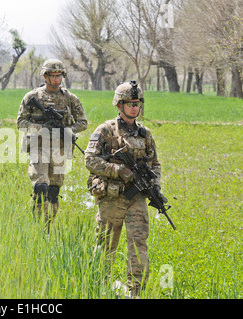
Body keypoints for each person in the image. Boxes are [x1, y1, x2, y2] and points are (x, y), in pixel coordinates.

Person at [84, 80, 162, 297]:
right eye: (130, 103)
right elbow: (90, 160)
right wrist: (118, 170)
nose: (135, 107)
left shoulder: (145, 134)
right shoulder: (105, 130)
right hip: (111, 197)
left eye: (137, 103)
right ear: (119, 105)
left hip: (136, 198)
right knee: (105, 245)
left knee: (138, 245)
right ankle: (97, 288)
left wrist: (154, 187)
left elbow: (154, 164)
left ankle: (135, 292)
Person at [17, 59, 88, 232]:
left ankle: (48, 227)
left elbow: (83, 123)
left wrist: (68, 130)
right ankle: (37, 228)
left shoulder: (70, 98)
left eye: (59, 76)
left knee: (53, 191)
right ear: (45, 76)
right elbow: (21, 122)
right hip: (38, 146)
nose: (56, 79)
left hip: (60, 148)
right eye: (53, 76)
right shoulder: (32, 97)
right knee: (41, 187)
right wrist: (41, 128)